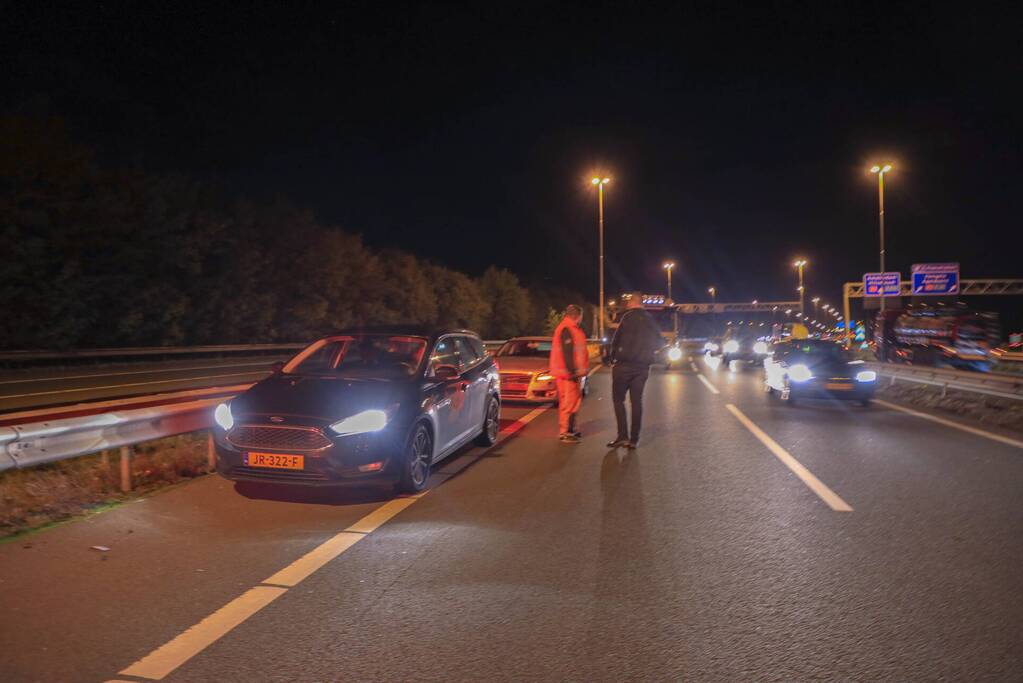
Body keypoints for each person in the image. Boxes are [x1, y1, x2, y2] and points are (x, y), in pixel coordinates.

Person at [607, 294, 663, 448]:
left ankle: (622, 436)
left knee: (618, 400)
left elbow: (616, 339)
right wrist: (648, 352)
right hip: (642, 367)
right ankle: (634, 440)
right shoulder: (650, 319)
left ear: (633, 303)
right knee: (636, 402)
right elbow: (660, 342)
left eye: (629, 302)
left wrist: (611, 358)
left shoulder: (626, 317)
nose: (627, 304)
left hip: (623, 365)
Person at [549, 304, 589, 444]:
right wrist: (572, 372)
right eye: (581, 316)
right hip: (568, 374)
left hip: (568, 373)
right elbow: (568, 353)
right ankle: (565, 432)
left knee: (572, 402)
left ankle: (570, 429)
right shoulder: (567, 329)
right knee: (569, 402)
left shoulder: (569, 328)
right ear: (577, 316)